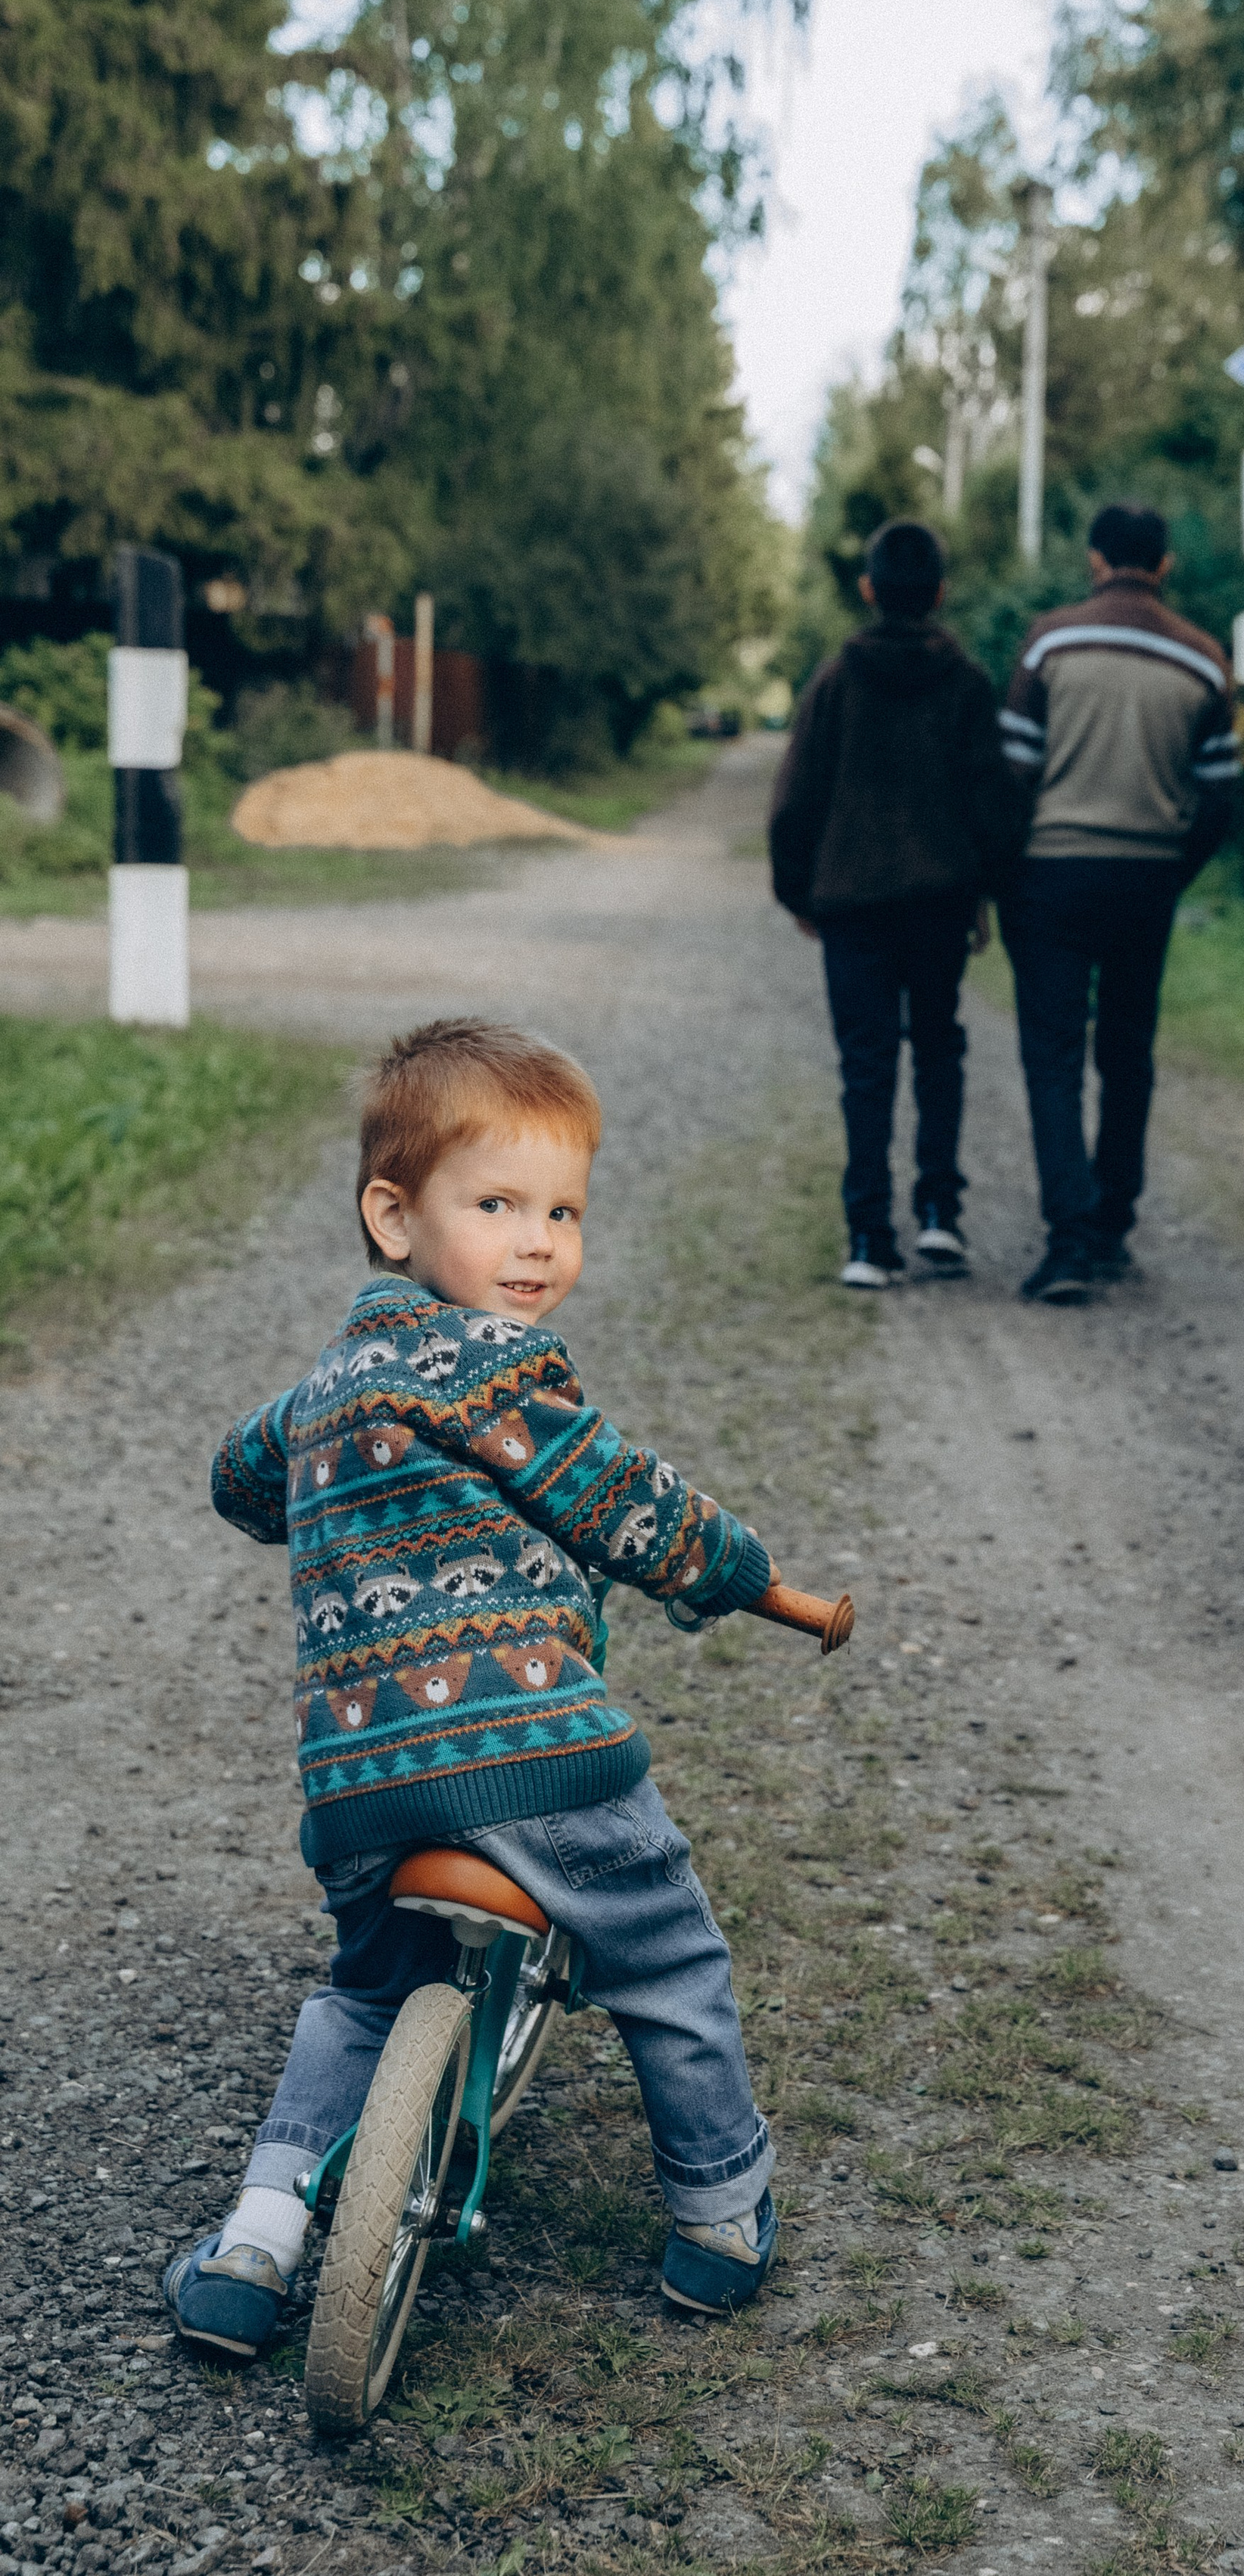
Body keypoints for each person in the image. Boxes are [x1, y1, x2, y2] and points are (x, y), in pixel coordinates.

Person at [163, 1018, 783, 2360]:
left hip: (360, 1787)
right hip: (536, 1761)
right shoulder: (503, 1368)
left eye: (563, 1209)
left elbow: (236, 1478)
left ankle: (258, 2241)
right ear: (393, 1218)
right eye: (496, 1204)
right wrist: (736, 1570)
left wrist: (333, 1460)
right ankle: (723, 2211)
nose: (538, 1242)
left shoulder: (327, 1385)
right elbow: (633, 1508)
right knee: (668, 1960)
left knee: (362, 1993)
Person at [769, 518, 1020, 1288]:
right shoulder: (969, 682)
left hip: (852, 906)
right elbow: (992, 802)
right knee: (939, 1050)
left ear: (870, 589)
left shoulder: (835, 682)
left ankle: (870, 1238)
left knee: (866, 1066)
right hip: (940, 903)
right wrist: (986, 887)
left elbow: (796, 800)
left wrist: (799, 892)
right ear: (940, 593)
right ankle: (941, 1216)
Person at [999, 502, 1239, 1304]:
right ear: (1163, 565)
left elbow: (1013, 770)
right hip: (1147, 880)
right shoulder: (1206, 661)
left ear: (1096, 560)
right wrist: (1173, 867)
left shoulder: (1050, 640)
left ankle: (1066, 1243)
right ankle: (1111, 1226)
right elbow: (1219, 797)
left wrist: (1007, 871)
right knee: (1128, 1054)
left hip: (1054, 875)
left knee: (1054, 1059)